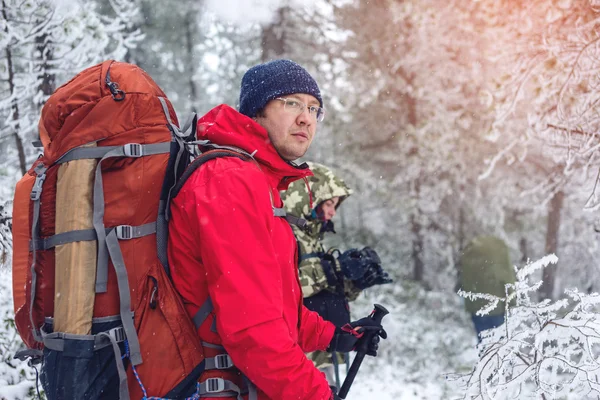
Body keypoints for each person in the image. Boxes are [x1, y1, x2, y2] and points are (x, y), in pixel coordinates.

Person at [167, 59, 386, 400]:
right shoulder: (230, 179)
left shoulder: (261, 182)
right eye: (291, 103)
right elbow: (252, 330)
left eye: (314, 108)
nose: (306, 118)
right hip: (218, 386)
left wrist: (337, 335)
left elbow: (278, 309)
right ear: (257, 110)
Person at [282, 162, 393, 388]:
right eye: (330, 203)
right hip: (298, 354)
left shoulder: (311, 239)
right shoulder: (284, 235)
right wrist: (329, 271)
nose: (332, 212)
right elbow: (285, 290)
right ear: (309, 199)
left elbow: (323, 292)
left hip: (322, 350)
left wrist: (354, 282)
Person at [457, 235, 516, 342]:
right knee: (499, 345)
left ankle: (485, 357)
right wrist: (513, 304)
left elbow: (462, 281)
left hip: (476, 308)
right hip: (497, 308)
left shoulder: (471, 255)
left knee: (483, 342)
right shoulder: (500, 257)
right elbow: (508, 280)